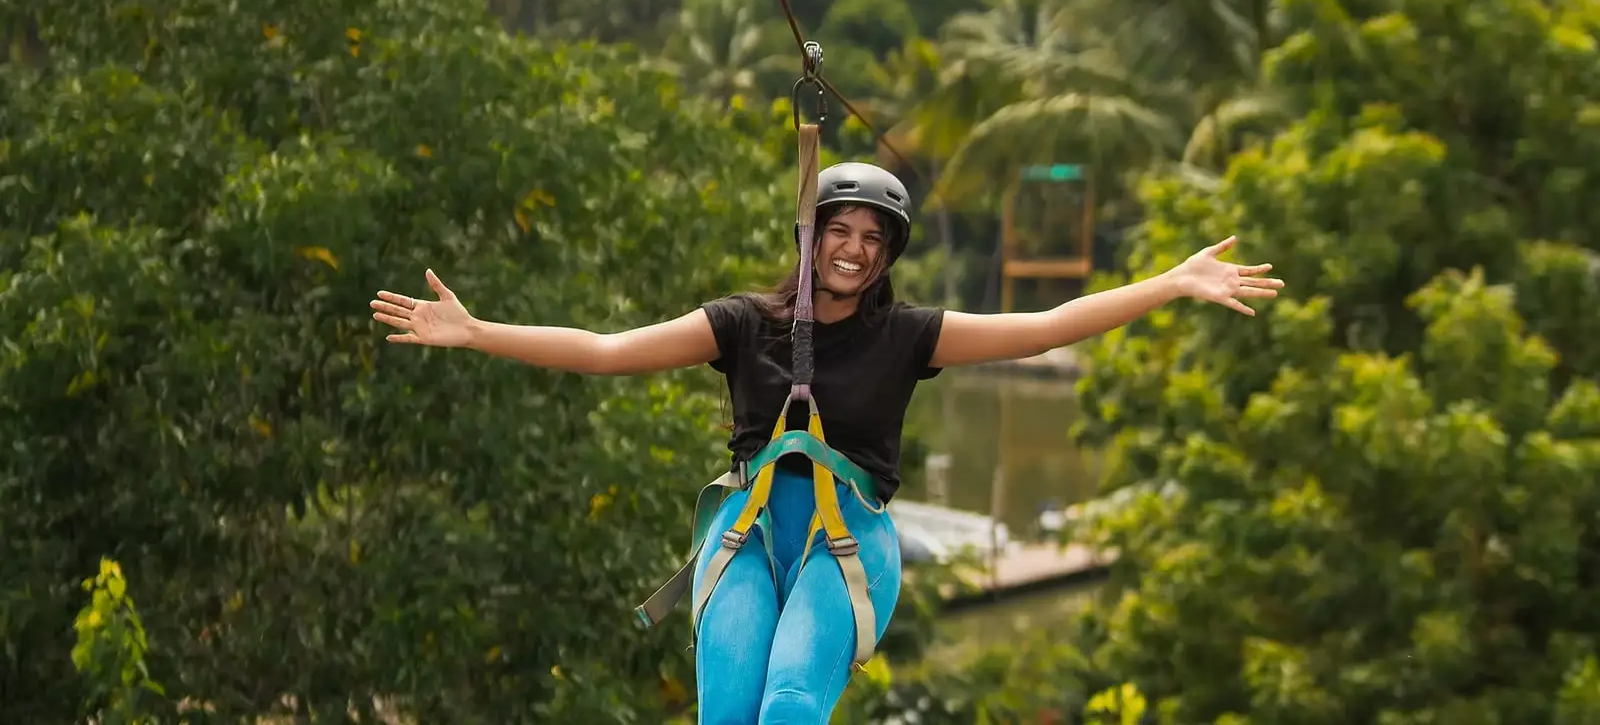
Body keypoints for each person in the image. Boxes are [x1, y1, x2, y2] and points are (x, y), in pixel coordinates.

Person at [367, 161, 1283, 725]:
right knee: (729, 711)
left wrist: (1170, 283)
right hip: (746, 534)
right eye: (838, 230)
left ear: (887, 255)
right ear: (812, 238)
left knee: (791, 705)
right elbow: (608, 351)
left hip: (845, 544)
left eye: (871, 238)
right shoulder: (742, 322)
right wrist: (479, 332)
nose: (853, 248)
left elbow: (1044, 328)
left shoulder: (910, 335)